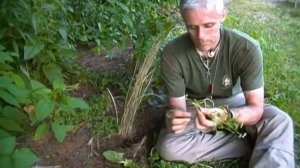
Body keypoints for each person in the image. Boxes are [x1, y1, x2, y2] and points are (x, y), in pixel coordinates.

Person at [155, 0, 295, 167]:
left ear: (223, 16)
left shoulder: (247, 48)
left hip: (235, 101)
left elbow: (256, 109)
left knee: (280, 121)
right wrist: (174, 119)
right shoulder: (172, 53)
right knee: (168, 146)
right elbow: (179, 110)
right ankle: (256, 144)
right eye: (192, 27)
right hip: (196, 107)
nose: (201, 36)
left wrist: (226, 116)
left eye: (208, 25)